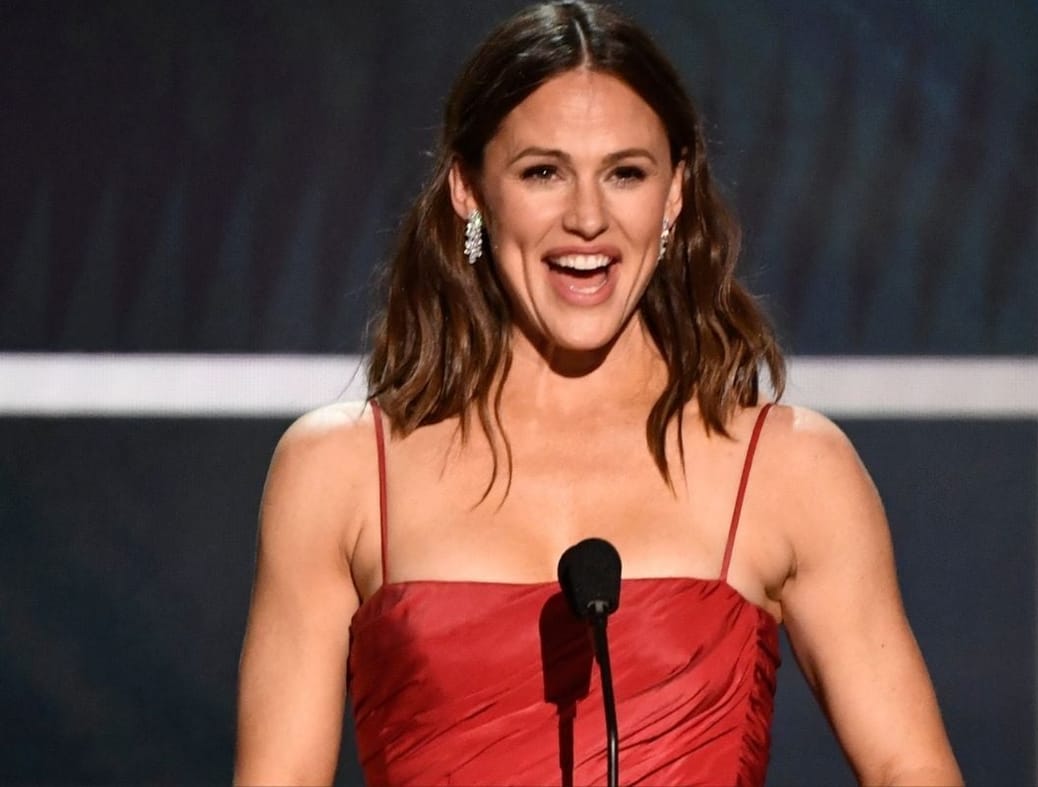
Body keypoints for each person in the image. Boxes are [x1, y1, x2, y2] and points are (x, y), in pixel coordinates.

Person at [234, 2, 963, 785]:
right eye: (543, 172)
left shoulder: (791, 470)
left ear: (675, 194)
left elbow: (908, 767)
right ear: (469, 191)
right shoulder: (340, 471)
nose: (588, 218)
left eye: (626, 173)